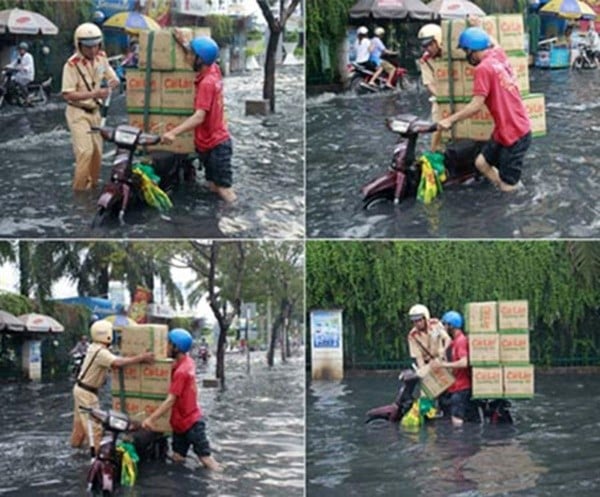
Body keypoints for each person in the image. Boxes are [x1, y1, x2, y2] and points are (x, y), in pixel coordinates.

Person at [438, 27, 531, 193]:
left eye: (466, 51)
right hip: (505, 129)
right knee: (481, 163)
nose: (467, 56)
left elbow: (476, 105)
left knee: (508, 184)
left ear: (471, 50)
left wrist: (449, 120)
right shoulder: (498, 56)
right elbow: (494, 42)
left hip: (515, 133)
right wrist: (478, 24)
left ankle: (513, 193)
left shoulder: (483, 68)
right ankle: (503, 186)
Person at [162, 33, 236, 203]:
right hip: (210, 145)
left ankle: (235, 222)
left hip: (217, 145)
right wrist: (184, 43)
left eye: (191, 55)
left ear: (200, 60)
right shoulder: (213, 70)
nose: (187, 57)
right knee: (213, 186)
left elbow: (199, 117)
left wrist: (173, 133)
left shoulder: (206, 83)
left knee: (225, 190)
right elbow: (204, 53)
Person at [142, 328, 221, 471]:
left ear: (176, 347)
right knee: (177, 458)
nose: (166, 346)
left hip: (192, 424)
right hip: (179, 424)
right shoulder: (187, 362)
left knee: (206, 460)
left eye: (169, 344)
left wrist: (151, 419)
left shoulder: (181, 372)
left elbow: (170, 400)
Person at [71, 320, 154, 451]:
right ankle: (97, 459)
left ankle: (75, 452)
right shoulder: (101, 352)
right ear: (107, 335)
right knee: (95, 429)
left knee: (80, 427)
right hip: (87, 393)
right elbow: (117, 363)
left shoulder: (94, 347)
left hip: (81, 389)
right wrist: (141, 357)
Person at [61, 22, 120, 191]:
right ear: (79, 45)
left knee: (97, 154)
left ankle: (92, 186)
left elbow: (110, 74)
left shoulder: (101, 58)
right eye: (88, 47)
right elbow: (67, 94)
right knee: (85, 152)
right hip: (77, 112)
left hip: (95, 112)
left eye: (96, 46)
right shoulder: (71, 65)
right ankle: (79, 191)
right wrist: (95, 94)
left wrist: (113, 81)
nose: (92, 50)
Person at [432, 310, 472, 427]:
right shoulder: (455, 342)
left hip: (461, 388)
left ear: (451, 325)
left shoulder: (461, 341)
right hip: (455, 387)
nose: (444, 328)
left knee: (457, 420)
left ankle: (458, 443)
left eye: (445, 325)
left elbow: (464, 362)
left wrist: (443, 365)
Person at [417, 24, 444, 151]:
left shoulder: (453, 54)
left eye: (430, 44)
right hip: (440, 98)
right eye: (425, 46)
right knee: (437, 127)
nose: (428, 49)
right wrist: (441, 97)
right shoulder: (425, 60)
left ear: (438, 41)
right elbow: (429, 83)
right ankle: (433, 154)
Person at [407, 304, 451, 370]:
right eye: (415, 321)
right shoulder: (413, 336)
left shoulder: (435, 325)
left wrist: (443, 349)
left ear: (425, 318)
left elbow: (447, 339)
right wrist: (423, 370)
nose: (418, 323)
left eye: (420, 320)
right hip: (428, 365)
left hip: (441, 361)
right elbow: (418, 357)